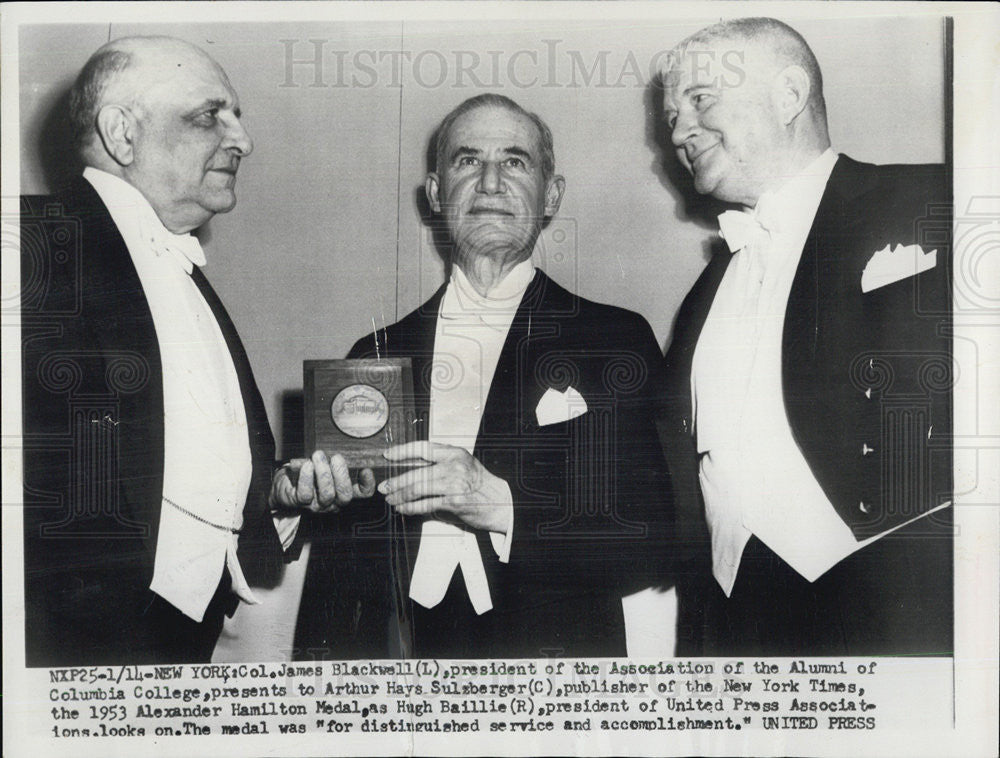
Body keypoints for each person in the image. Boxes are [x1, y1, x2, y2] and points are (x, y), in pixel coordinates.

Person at [274, 94, 673, 659]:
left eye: (515, 161)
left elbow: (655, 535)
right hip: (395, 674)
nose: (490, 182)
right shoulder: (374, 352)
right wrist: (301, 500)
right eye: (467, 161)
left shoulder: (614, 341)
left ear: (551, 195)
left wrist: (501, 504)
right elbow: (344, 552)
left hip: (550, 670)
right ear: (436, 194)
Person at [657, 18, 952, 656]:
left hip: (905, 613)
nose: (679, 131)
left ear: (789, 96)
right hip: (730, 629)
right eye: (672, 114)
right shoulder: (702, 299)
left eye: (700, 100)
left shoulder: (943, 199)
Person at [20, 36, 291, 666]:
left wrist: (280, 497)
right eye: (208, 116)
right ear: (122, 134)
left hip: (178, 649)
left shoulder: (187, 273)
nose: (242, 140)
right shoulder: (30, 249)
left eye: (238, 117)